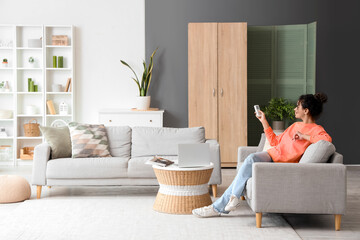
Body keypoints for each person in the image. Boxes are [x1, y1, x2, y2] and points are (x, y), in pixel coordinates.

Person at [192, 93, 332, 217]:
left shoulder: (316, 130)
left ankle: (217, 207)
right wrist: (263, 120)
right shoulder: (294, 126)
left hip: (281, 165)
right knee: (250, 160)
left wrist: (304, 136)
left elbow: (327, 141)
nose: (295, 109)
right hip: (271, 156)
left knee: (248, 165)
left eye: (298, 106)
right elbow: (274, 141)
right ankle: (231, 199)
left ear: (306, 111)